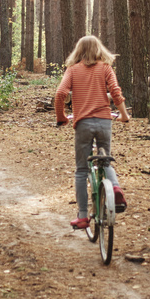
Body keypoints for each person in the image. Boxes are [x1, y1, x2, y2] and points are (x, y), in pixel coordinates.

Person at [54, 35, 130, 230]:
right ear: (99, 49)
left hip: (83, 124)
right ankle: (114, 187)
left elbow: (60, 93)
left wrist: (61, 117)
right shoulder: (105, 68)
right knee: (105, 158)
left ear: (78, 51)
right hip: (104, 122)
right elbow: (115, 91)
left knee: (81, 170)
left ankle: (82, 216)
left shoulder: (72, 70)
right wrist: (124, 115)